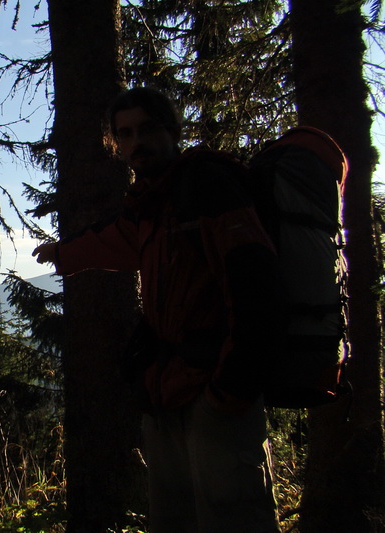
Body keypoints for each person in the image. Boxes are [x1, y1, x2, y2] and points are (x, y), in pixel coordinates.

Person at [33, 87, 283, 533]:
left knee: (234, 519)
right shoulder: (152, 203)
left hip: (217, 393)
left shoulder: (209, 186)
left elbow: (256, 285)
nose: (136, 143)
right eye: (125, 134)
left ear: (171, 130)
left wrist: (229, 390)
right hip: (167, 392)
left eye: (146, 130)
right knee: (173, 520)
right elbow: (113, 239)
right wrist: (62, 252)